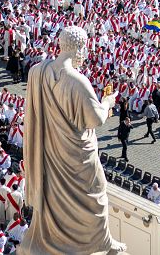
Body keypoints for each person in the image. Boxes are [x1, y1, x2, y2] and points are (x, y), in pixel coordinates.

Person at [21, 25, 125, 254]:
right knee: (96, 196)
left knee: (56, 201)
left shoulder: (38, 71)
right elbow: (95, 119)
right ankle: (100, 243)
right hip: (78, 156)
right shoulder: (77, 81)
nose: (86, 54)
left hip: (52, 150)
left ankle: (85, 240)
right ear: (79, 47)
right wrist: (107, 101)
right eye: (85, 48)